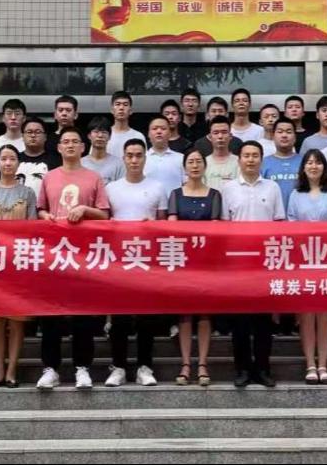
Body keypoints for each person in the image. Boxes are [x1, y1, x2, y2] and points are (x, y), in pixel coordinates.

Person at [37, 127, 111, 390]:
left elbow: (104, 214)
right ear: (58, 147)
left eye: (74, 141)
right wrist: (45, 216)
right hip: (55, 254)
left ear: (83, 147)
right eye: (65, 141)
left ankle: (82, 367)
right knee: (51, 314)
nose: (70, 145)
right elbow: (41, 210)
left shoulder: (93, 177)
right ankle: (50, 368)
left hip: (83, 255)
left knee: (83, 314)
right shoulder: (49, 177)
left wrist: (85, 209)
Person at [104, 139, 170, 387]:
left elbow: (164, 223)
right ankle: (118, 367)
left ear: (145, 158)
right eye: (129, 155)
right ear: (123, 158)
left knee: (146, 318)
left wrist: (153, 225)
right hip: (119, 260)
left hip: (147, 260)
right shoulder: (112, 188)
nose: (134, 160)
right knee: (119, 319)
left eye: (138, 155)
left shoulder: (157, 187)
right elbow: (103, 222)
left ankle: (145, 367)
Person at [221, 141, 287, 388]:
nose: (250, 160)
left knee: (263, 322)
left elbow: (279, 223)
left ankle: (262, 368)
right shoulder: (228, 188)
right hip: (237, 263)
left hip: (264, 263)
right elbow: (223, 227)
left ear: (261, 159)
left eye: (255, 156)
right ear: (239, 160)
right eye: (246, 155)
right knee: (240, 322)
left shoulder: (272, 187)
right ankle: (242, 369)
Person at [0, 145, 38, 388]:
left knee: (16, 319)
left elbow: (33, 227)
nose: (8, 163)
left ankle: (12, 371)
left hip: (19, 261)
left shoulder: (28, 193)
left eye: (12, 159)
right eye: (4, 158)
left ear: (18, 163)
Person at [287, 149, 327, 385]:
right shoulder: (295, 194)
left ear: (324, 167)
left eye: (318, 162)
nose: (313, 166)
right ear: (303, 167)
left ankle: (323, 364)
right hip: (303, 260)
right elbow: (290, 224)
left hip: (326, 259)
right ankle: (310, 364)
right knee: (307, 315)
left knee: (324, 315)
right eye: (309, 162)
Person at [169, 149, 221, 386]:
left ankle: (202, 364)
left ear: (205, 166)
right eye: (190, 161)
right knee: (185, 313)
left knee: (204, 313)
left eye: (199, 161)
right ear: (184, 167)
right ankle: (185, 364)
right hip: (182, 261)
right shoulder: (175, 194)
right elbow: (172, 227)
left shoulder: (215, 194)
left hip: (206, 261)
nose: (195, 165)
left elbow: (216, 228)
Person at [261, 117, 303, 211]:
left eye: (289, 132)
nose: (284, 135)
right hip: (272, 215)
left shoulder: (305, 162)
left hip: (300, 216)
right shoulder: (263, 163)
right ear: (273, 136)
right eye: (280, 132)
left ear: (295, 137)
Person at [17, 116, 61, 200]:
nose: (33, 135)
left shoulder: (56, 161)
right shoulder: (14, 159)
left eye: (38, 132)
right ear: (22, 136)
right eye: (29, 132)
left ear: (45, 137)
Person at [144, 115, 185, 195]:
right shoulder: (142, 159)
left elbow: (186, 184)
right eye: (155, 128)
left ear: (170, 133)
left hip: (174, 202)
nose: (159, 131)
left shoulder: (181, 158)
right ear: (148, 134)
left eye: (163, 128)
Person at [81, 116, 125, 185]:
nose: (100, 135)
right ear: (89, 136)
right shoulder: (80, 163)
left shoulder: (118, 164)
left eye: (104, 132)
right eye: (96, 132)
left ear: (110, 136)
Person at [203, 116, 239, 192]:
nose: (220, 136)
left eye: (224, 132)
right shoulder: (203, 163)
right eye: (216, 133)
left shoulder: (239, 162)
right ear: (210, 137)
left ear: (230, 136)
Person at [107, 91, 146, 157]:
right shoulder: (104, 135)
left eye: (125, 105)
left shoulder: (138, 136)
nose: (121, 108)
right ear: (112, 110)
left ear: (130, 110)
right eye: (118, 104)